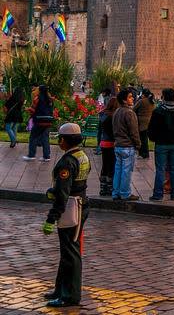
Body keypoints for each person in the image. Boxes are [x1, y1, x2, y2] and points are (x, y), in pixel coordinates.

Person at [40, 123, 90, 308]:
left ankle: (70, 296)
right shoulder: (82, 155)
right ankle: (60, 289)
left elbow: (63, 193)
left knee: (70, 253)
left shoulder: (67, 162)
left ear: (65, 140)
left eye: (60, 138)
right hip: (79, 204)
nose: (59, 141)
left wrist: (51, 218)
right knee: (67, 251)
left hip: (71, 208)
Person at [146, 88, 174, 201]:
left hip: (161, 143)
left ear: (163, 97)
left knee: (160, 169)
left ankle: (158, 194)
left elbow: (151, 128)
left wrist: (154, 138)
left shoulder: (158, 111)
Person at [111, 89, 141, 201]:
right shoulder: (129, 113)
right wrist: (138, 144)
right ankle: (125, 193)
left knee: (118, 170)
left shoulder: (117, 112)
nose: (132, 98)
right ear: (124, 100)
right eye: (129, 97)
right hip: (127, 146)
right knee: (126, 171)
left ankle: (116, 192)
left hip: (118, 145)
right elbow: (134, 132)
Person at [25, 85, 55, 161]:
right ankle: (46, 156)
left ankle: (31, 155)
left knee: (33, 137)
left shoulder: (37, 99)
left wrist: (28, 109)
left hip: (39, 121)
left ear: (40, 91)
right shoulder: (50, 100)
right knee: (45, 138)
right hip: (48, 121)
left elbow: (33, 109)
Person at [96, 97, 118, 197]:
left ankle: (102, 188)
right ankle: (109, 187)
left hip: (103, 142)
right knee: (111, 165)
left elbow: (100, 131)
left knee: (104, 165)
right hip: (111, 143)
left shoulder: (103, 114)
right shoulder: (113, 116)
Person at [133, 89, 155, 159]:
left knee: (142, 139)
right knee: (145, 139)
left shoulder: (141, 101)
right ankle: (146, 153)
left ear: (143, 94)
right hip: (150, 122)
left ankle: (142, 154)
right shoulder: (152, 102)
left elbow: (133, 109)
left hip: (141, 122)